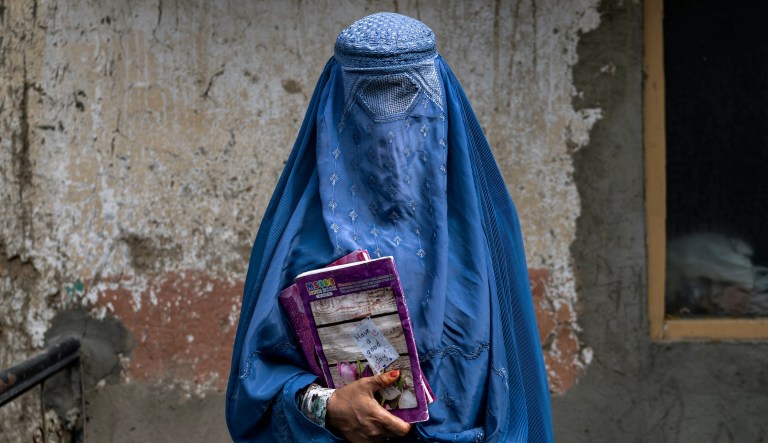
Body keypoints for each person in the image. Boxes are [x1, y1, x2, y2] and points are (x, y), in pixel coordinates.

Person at [226, 12, 553, 443]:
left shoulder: (485, 235)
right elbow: (254, 389)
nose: (389, 138)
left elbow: (517, 394)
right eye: (366, 100)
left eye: (408, 100)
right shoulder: (294, 240)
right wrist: (326, 406)